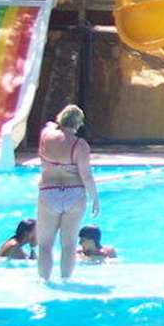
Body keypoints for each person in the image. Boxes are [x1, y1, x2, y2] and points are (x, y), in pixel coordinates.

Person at [36, 104, 98, 282]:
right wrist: (95, 198)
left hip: (49, 191)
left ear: (60, 119)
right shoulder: (80, 145)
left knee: (45, 245)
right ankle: (65, 281)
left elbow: (49, 127)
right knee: (69, 245)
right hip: (74, 193)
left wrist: (53, 125)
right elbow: (86, 176)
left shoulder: (46, 136)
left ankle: (44, 281)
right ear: (78, 124)